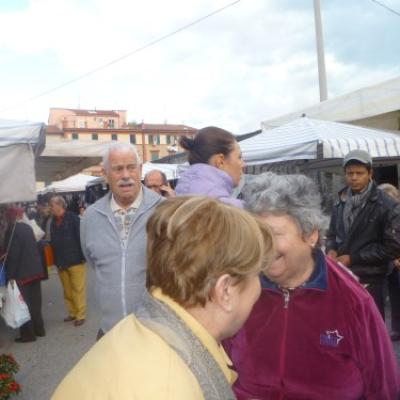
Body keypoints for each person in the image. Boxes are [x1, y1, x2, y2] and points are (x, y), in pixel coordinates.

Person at [52, 196, 274, 399]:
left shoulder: (146, 330)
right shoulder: (170, 385)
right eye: (257, 275)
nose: (259, 289)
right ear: (225, 290)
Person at [224, 173, 400, 400]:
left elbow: (382, 385)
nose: (262, 246)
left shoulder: (352, 300)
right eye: (256, 234)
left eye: (274, 234)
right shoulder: (239, 289)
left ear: (311, 235)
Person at [80, 142, 163, 338]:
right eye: (117, 169)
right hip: (111, 331)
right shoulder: (91, 217)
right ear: (105, 173)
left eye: (131, 167)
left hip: (157, 334)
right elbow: (94, 263)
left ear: (140, 169)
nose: (125, 175)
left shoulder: (165, 211)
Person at [326, 150, 400, 317]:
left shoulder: (386, 205)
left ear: (370, 173)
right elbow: (332, 234)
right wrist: (331, 250)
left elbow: (393, 247)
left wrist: (353, 258)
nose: (353, 177)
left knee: (371, 331)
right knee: (346, 329)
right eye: (349, 173)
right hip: (342, 276)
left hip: (371, 280)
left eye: (359, 173)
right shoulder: (340, 201)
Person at [4, 206, 46, 342]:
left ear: (10, 216)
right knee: (35, 302)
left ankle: (28, 334)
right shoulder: (28, 228)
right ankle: (40, 329)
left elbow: (14, 254)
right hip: (35, 270)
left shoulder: (12, 231)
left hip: (22, 273)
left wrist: (10, 275)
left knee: (23, 304)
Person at [175, 126, 245, 207]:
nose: (244, 164)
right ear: (220, 161)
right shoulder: (231, 212)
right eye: (239, 157)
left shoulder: (176, 202)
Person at [50, 196, 86, 327]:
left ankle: (80, 315)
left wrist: (83, 256)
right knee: (67, 290)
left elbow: (81, 237)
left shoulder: (73, 218)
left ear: (60, 205)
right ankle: (72, 313)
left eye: (52, 205)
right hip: (61, 261)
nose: (51, 208)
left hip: (75, 259)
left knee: (78, 289)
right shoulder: (53, 221)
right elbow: (53, 240)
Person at [378, 183, 400, 340]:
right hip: (384, 262)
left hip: (395, 261)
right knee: (388, 296)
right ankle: (393, 329)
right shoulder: (377, 215)